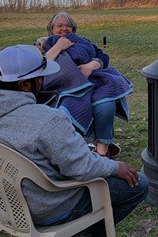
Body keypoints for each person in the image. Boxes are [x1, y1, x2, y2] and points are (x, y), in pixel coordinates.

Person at [0, 45, 148, 235]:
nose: (44, 82)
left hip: (7, 205)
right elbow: (81, 168)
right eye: (41, 78)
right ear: (24, 84)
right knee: (140, 185)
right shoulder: (47, 119)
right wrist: (116, 167)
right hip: (50, 207)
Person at [42, 11, 132, 158]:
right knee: (71, 107)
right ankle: (76, 148)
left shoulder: (82, 41)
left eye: (68, 25)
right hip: (62, 88)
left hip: (92, 80)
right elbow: (41, 65)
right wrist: (58, 47)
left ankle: (102, 151)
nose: (64, 28)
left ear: (73, 28)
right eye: (59, 25)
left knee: (106, 101)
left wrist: (90, 66)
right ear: (51, 28)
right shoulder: (44, 44)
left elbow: (103, 57)